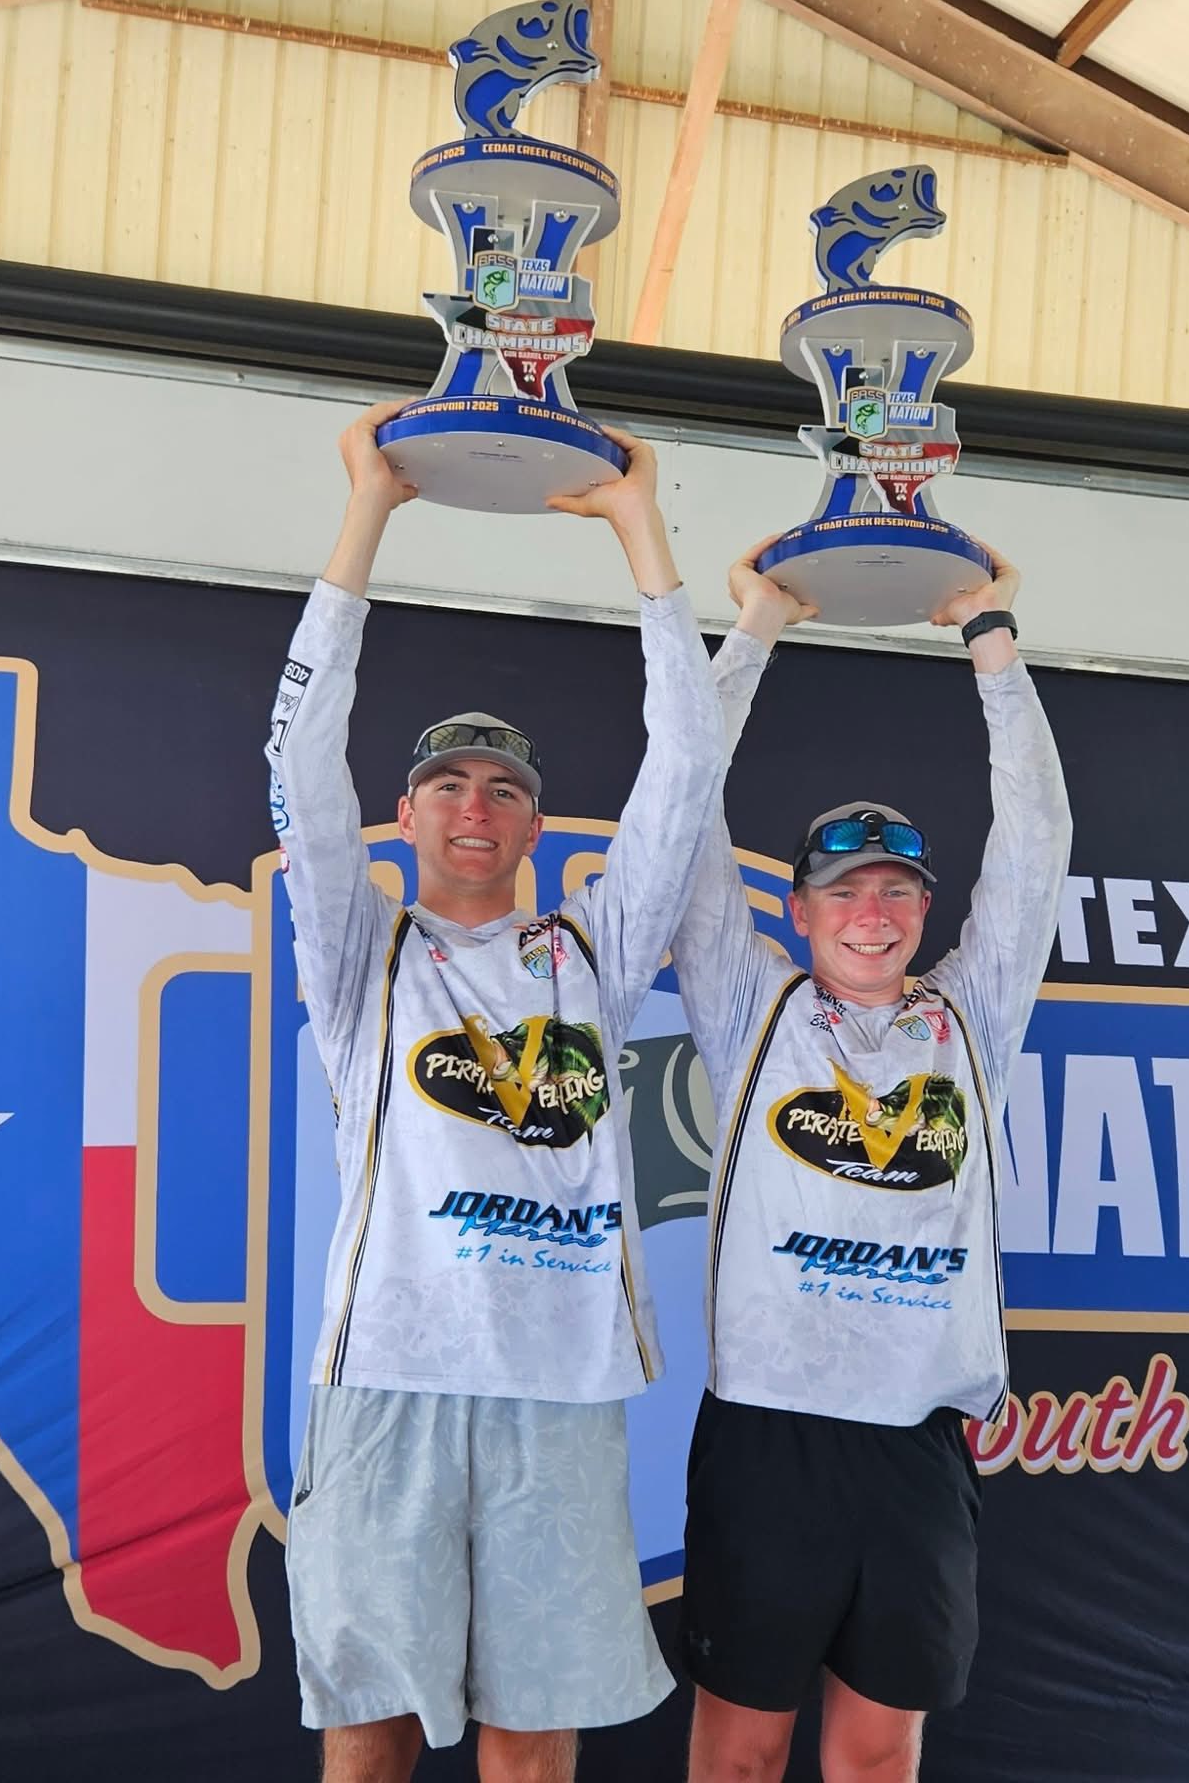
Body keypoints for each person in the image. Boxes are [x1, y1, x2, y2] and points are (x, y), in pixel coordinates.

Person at [269, 401, 726, 1783]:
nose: (475, 804)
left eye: (503, 788)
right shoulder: (360, 953)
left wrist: (643, 529)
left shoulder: (593, 951)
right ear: (406, 816)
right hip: (387, 1382)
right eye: (447, 784)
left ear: (534, 823)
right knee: (369, 1734)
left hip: (560, 1389)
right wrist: (368, 508)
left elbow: (685, 769)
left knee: (532, 1743)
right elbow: (296, 762)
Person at [671, 538, 1073, 1783]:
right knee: (739, 1760)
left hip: (914, 1442)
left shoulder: (969, 1018)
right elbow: (682, 806)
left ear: (923, 909)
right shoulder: (751, 1009)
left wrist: (989, 638)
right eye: (844, 890)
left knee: (876, 1762)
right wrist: (753, 630)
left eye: (896, 889)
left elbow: (1037, 839)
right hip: (768, 1436)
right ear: (797, 909)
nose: (872, 912)